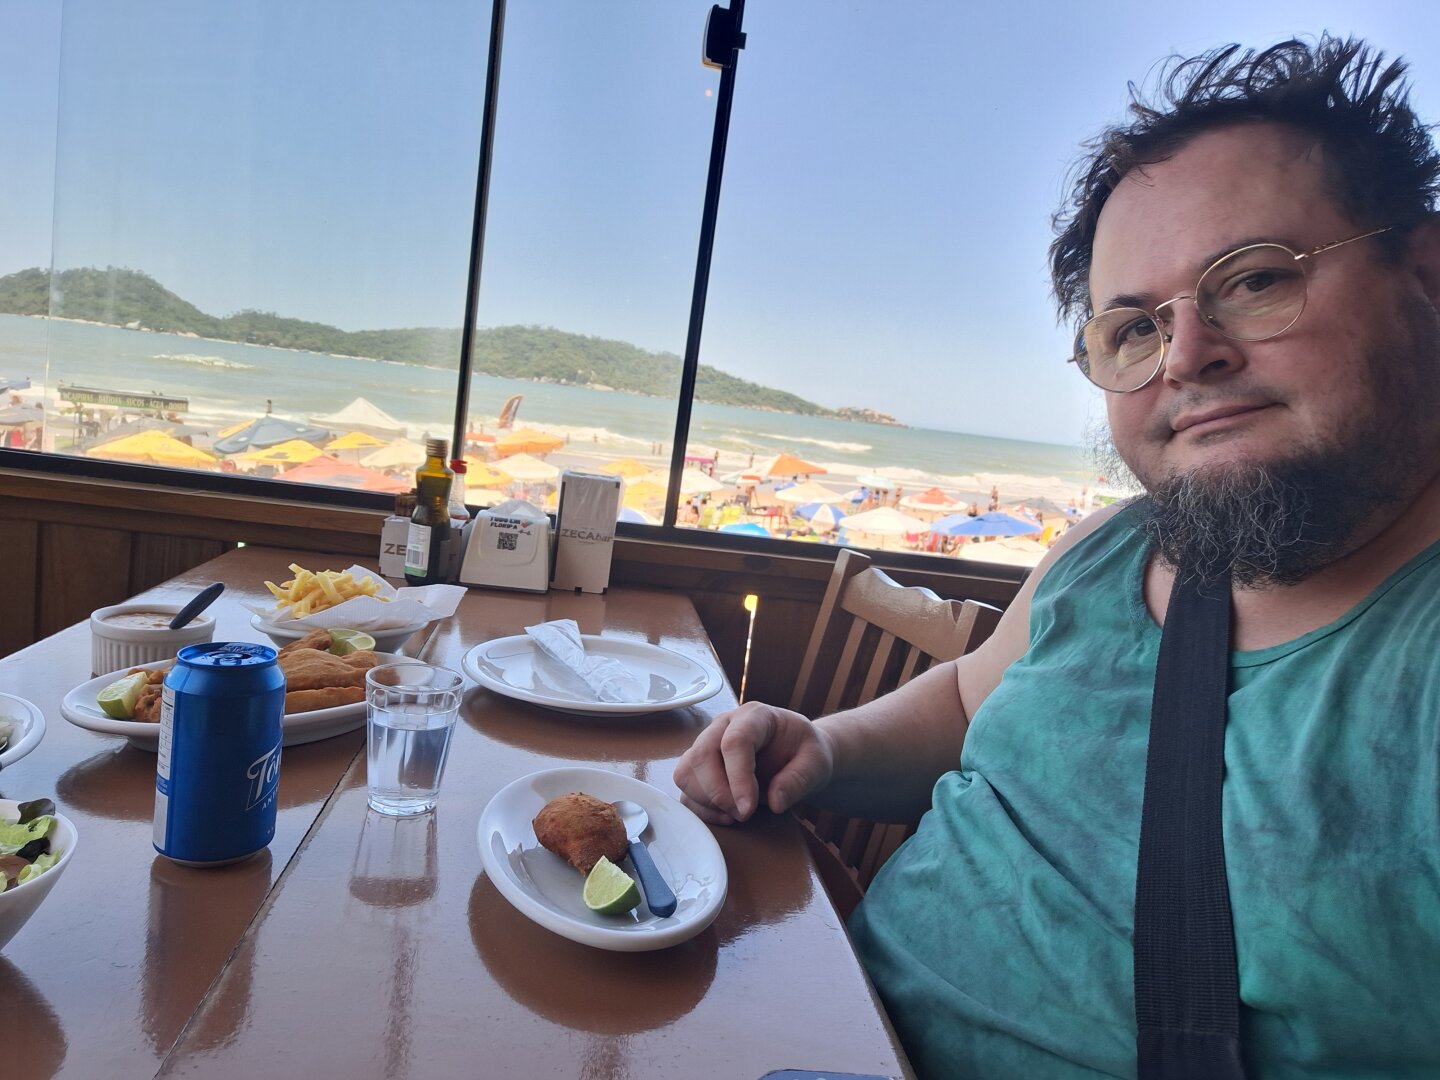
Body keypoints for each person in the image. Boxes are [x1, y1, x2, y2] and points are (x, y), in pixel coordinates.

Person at [674, 37, 1440, 1080]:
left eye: (1255, 280)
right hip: (816, 1016)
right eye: (1132, 328)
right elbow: (962, 705)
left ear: (1427, 276)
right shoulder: (1108, 553)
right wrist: (826, 745)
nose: (1185, 357)